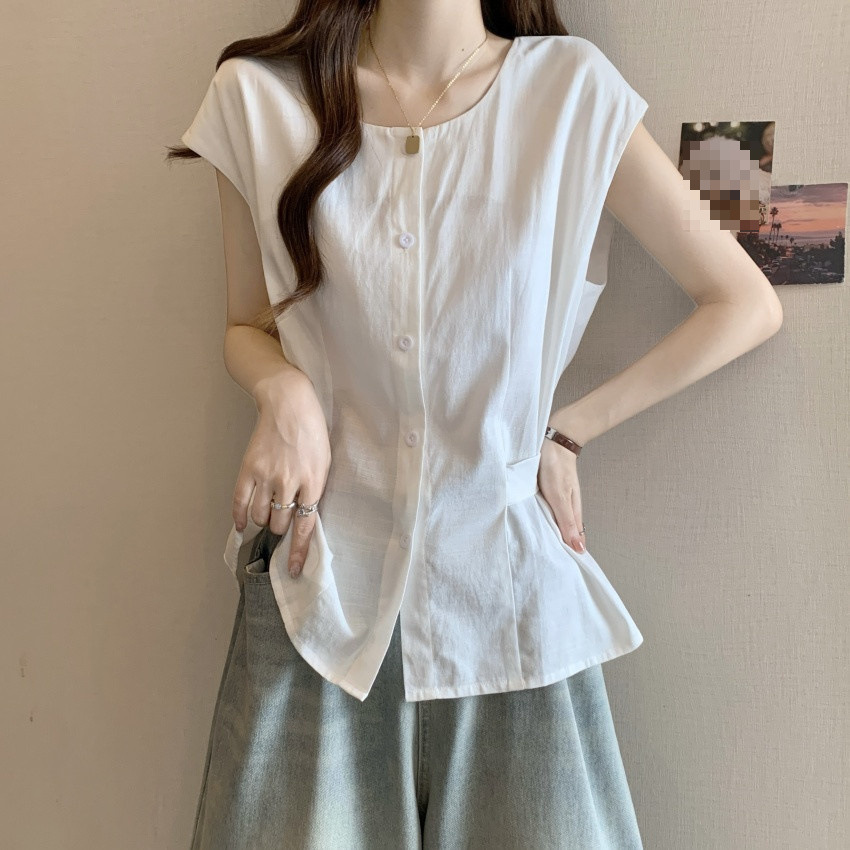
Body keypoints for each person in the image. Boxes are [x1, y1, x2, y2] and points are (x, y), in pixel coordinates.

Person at [169, 1, 783, 847]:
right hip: (318, 597)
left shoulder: (569, 92)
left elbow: (744, 303)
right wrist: (283, 393)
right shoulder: (258, 99)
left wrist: (566, 432)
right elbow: (246, 324)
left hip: (510, 604)